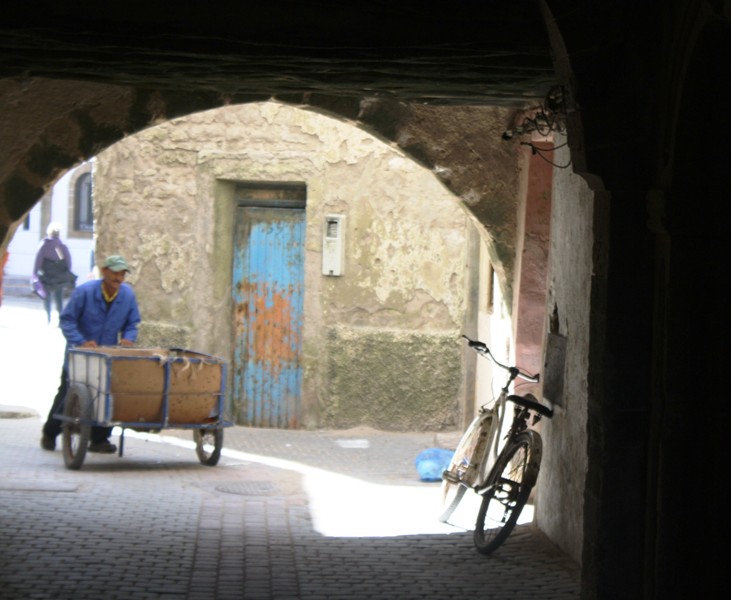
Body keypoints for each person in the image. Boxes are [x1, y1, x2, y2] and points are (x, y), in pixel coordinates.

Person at [40, 254, 141, 453]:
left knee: (106, 395)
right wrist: (81, 341)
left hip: (107, 355)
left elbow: (132, 323)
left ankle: (99, 439)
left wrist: (128, 338)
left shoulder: (127, 295)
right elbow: (67, 320)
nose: (118, 278)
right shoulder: (85, 292)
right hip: (79, 355)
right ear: (104, 272)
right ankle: (50, 433)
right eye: (114, 273)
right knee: (68, 392)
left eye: (122, 274)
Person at [33, 223, 73, 324]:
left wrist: (35, 273)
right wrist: (67, 272)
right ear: (58, 234)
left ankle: (48, 318)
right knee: (58, 297)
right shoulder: (61, 246)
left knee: (46, 296)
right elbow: (68, 261)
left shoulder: (43, 245)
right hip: (59, 275)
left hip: (46, 274)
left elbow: (38, 260)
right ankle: (60, 319)